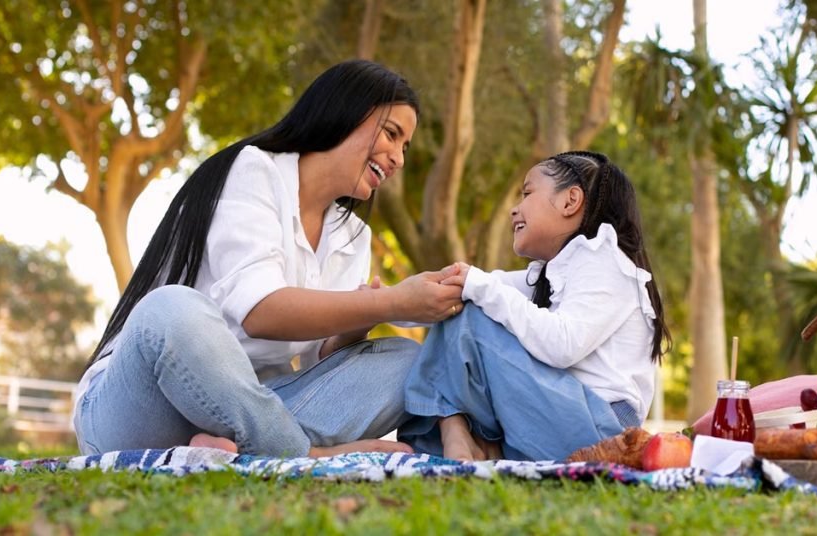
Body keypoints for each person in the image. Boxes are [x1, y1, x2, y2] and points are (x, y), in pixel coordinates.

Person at [73, 60, 465, 458]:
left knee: (407, 362)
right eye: (392, 134)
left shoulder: (353, 236)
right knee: (170, 309)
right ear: (345, 111)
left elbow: (320, 364)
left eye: (405, 147)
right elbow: (260, 311)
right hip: (142, 406)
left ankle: (234, 449)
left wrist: (360, 323)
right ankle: (305, 455)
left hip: (253, 408)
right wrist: (392, 301)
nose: (398, 158)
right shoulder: (252, 169)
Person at [399, 151, 671, 461]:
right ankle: (467, 437)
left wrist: (478, 286)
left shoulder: (604, 259)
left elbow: (562, 345)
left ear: (570, 201)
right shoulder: (554, 272)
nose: (515, 209)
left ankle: (458, 432)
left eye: (528, 193)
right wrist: (393, 303)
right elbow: (472, 287)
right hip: (561, 418)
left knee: (475, 310)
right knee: (470, 301)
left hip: (599, 431)